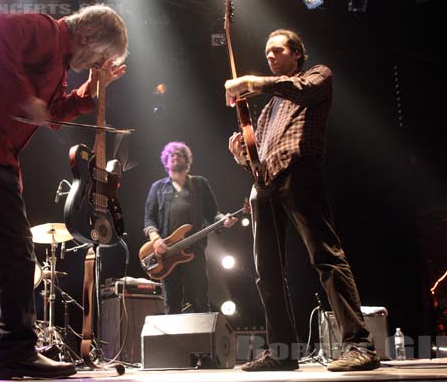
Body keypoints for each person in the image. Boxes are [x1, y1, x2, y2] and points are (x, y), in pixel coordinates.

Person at [0, 4, 128, 380]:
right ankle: (15, 352)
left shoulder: (57, 62)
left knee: (9, 253)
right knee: (18, 252)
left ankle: (3, 353)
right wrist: (26, 96)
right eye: (100, 56)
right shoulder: (46, 31)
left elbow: (54, 114)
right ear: (87, 38)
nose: (96, 62)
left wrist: (93, 88)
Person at [226, 29, 380, 372]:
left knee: (325, 256)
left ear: (296, 54)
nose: (270, 56)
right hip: (265, 184)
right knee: (266, 272)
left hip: (300, 172)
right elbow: (258, 153)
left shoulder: (317, 75)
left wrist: (252, 81)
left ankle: (360, 345)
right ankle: (282, 352)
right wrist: (242, 152)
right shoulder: (267, 111)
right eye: (266, 53)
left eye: (277, 51)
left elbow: (303, 90)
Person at [143, 142, 237, 314]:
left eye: (179, 154)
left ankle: (202, 340)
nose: (175, 156)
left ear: (187, 160)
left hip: (195, 251)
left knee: (199, 300)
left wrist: (223, 219)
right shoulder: (157, 187)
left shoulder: (200, 184)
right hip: (166, 254)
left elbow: (213, 213)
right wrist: (155, 240)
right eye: (171, 155)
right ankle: (174, 341)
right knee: (171, 303)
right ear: (166, 161)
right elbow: (149, 218)